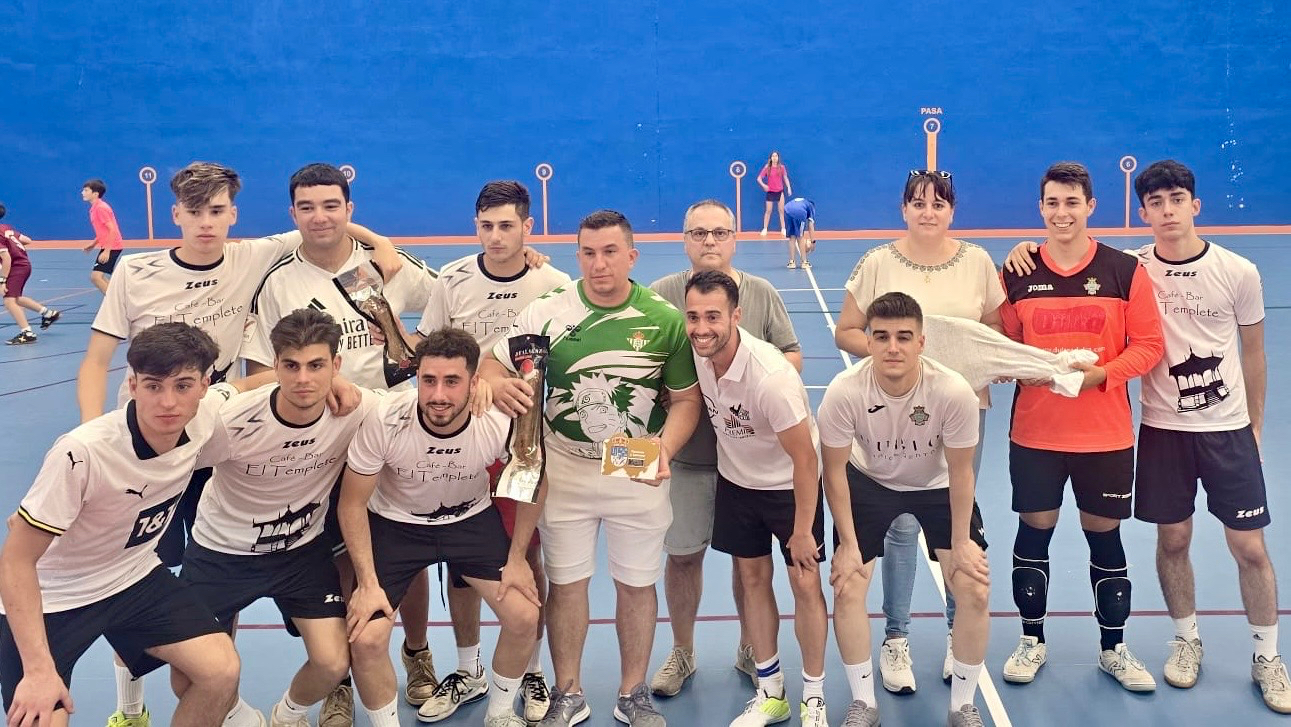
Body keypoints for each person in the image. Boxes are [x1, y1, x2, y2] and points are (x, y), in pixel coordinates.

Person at [81, 161, 387, 727]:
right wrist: (96, 436)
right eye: (195, 212)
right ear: (175, 214)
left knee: (224, 559)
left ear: (233, 215)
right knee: (135, 570)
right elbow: (97, 361)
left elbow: (324, 225)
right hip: (154, 445)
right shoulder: (137, 272)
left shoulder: (250, 256)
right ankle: (131, 707)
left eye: (217, 211)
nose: (206, 223)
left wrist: (382, 245)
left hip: (213, 433)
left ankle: (226, 696)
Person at [1003, 159, 1289, 713]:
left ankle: (1261, 657)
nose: (1167, 211)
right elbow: (1011, 333)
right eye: (1156, 203)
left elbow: (1225, 351)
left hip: (1196, 430)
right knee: (1164, 540)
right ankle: (1169, 641)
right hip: (1138, 430)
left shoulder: (1217, 271)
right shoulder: (1118, 266)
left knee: (1246, 547)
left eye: (1176, 200)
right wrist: (1023, 252)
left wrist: (1255, 424)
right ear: (1142, 212)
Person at [482, 210, 701, 727]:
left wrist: (664, 449)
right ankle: (568, 693)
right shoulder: (546, 312)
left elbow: (686, 400)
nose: (599, 264)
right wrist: (496, 383)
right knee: (566, 584)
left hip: (632, 463)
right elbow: (492, 363)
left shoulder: (664, 319)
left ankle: (632, 694)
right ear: (577, 255)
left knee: (637, 584)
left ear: (632, 256)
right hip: (563, 467)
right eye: (588, 253)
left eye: (609, 252)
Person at [240, 162, 441, 716]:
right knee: (343, 563)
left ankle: (418, 653)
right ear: (292, 213)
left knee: (405, 557)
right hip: (321, 446)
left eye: (332, 205)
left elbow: (452, 300)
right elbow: (256, 373)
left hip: (393, 434)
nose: (320, 217)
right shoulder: (279, 282)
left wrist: (527, 259)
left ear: (350, 211)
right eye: (307, 207)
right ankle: (340, 682)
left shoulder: (387, 265)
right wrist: (325, 381)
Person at [0, 324, 244, 727]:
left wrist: (339, 385)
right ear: (132, 385)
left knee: (221, 670)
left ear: (204, 386)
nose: (168, 401)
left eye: (183, 386)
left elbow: (249, 384)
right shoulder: (82, 452)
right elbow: (15, 560)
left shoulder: (207, 416)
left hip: (132, 577)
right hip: (55, 596)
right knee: (40, 718)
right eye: (153, 386)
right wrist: (39, 669)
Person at [832, 170, 1004, 691]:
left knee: (954, 517)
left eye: (938, 204)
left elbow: (994, 332)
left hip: (959, 411)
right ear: (903, 209)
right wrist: (896, 358)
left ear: (952, 210)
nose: (928, 212)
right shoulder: (877, 262)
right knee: (900, 528)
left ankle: (957, 633)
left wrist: (970, 362)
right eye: (918, 203)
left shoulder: (977, 262)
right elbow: (846, 330)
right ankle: (896, 638)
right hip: (889, 413)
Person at [996, 161, 1164, 692]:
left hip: (1104, 436)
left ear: (1090, 206)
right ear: (1040, 207)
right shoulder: (1017, 272)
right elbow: (1002, 344)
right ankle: (1031, 640)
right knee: (1033, 533)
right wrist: (1015, 367)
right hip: (1036, 435)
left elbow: (1149, 346)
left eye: (1072, 202)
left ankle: (1114, 648)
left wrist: (1100, 376)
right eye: (1052, 202)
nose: (1062, 212)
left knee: (1105, 538)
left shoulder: (1124, 271)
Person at [408, 180, 568, 724]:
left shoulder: (553, 283)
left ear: (528, 227)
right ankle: (468, 667)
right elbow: (428, 354)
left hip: (527, 444)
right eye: (486, 226)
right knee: (463, 559)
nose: (496, 236)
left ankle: (531, 670)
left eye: (507, 226)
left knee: (529, 556)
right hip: (462, 444)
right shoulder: (452, 280)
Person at [176, 308, 379, 727]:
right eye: (291, 366)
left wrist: (488, 385)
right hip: (221, 552)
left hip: (299, 553)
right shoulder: (229, 420)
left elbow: (427, 404)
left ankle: (286, 715)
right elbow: (160, 452)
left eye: (316, 366)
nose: (303, 379)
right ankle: (237, 716)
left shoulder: (358, 409)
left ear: (336, 365)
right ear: (275, 365)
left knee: (333, 662)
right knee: (192, 676)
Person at [340, 328, 541, 727]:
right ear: (416, 377)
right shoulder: (386, 417)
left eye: (452, 381)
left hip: (469, 521)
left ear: (475, 382)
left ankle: (500, 715)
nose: (438, 395)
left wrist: (518, 558)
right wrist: (367, 583)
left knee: (523, 616)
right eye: (428, 380)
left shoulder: (498, 418)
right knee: (366, 639)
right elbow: (352, 503)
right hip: (396, 525)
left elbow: (534, 478)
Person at [646, 200, 802, 698]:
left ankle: (751, 646)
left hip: (748, 464)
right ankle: (682, 650)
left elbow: (792, 354)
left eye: (719, 232)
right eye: (698, 233)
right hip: (685, 459)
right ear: (684, 239)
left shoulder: (761, 293)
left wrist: (747, 390)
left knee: (747, 562)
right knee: (682, 556)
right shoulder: (660, 295)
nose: (709, 241)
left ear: (734, 238)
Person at [819, 292, 991, 727]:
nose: (892, 347)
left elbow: (962, 471)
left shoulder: (952, 390)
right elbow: (834, 472)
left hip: (937, 484)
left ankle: (963, 705)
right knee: (847, 585)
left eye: (903, 337)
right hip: (870, 480)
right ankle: (864, 703)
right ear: (869, 342)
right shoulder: (844, 391)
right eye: (881, 337)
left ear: (921, 342)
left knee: (973, 587)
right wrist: (848, 545)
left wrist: (960, 543)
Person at [683, 271, 828, 727]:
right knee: (751, 580)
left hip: (789, 487)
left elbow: (806, 459)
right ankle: (771, 692)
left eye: (712, 317)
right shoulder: (697, 354)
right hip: (738, 483)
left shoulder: (771, 378)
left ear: (736, 316)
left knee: (805, 583)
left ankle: (814, 697)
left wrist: (802, 530)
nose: (701, 328)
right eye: (693, 317)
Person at [0, 204, 60, 345]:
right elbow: (27, 240)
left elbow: (6, 259)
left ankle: (27, 333)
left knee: (9, 300)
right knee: (16, 298)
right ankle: (48, 313)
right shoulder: (6, 228)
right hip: (24, 264)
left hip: (16, 267)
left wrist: (2, 280)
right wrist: (14, 247)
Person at [82, 178, 125, 294]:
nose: (82, 192)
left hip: (112, 246)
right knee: (98, 277)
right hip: (109, 245)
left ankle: (114, 302)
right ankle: (118, 299)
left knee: (96, 277)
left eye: (86, 190)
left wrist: (107, 251)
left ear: (95, 194)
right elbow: (103, 231)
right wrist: (93, 244)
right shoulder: (95, 208)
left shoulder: (101, 208)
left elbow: (112, 230)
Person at [756, 152, 792, 237]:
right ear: (771, 158)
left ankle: (783, 229)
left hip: (780, 192)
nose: (774, 157)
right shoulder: (767, 168)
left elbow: (785, 178)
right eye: (773, 156)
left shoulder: (782, 167)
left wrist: (789, 187)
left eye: (776, 156)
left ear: (778, 158)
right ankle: (765, 229)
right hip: (770, 192)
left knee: (781, 211)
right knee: (768, 211)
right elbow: (759, 178)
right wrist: (764, 185)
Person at [782, 197, 815, 269]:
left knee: (792, 237)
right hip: (799, 213)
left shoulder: (803, 202)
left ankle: (791, 262)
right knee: (800, 237)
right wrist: (813, 242)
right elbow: (810, 226)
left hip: (787, 210)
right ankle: (804, 262)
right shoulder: (811, 207)